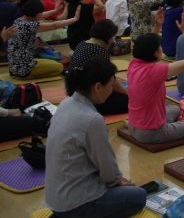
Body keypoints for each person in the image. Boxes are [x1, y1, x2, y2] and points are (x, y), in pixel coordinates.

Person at [46, 57, 146, 217]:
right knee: (139, 196)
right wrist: (119, 181)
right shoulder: (92, 119)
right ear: (98, 87)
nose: (112, 89)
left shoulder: (66, 103)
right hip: (74, 204)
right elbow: (107, 168)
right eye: (111, 84)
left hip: (54, 198)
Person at [127, 12, 184, 143]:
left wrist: (158, 26)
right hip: (151, 133)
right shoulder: (155, 70)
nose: (161, 48)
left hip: (133, 126)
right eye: (160, 46)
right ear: (155, 53)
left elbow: (147, 44)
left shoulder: (133, 64)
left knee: (175, 109)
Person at [68, 19, 128, 115]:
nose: (113, 40)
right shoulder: (100, 50)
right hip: (90, 98)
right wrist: (126, 92)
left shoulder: (82, 44)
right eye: (112, 37)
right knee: (133, 99)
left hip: (75, 94)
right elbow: (112, 81)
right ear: (108, 38)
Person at [8, 0, 79, 79]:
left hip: (15, 66)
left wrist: (55, 10)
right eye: (40, 13)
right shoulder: (28, 26)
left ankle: (25, 74)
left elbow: (42, 15)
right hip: (23, 68)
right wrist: (75, 19)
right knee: (59, 66)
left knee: (55, 62)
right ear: (37, 14)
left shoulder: (19, 20)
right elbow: (54, 25)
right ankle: (27, 75)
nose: (42, 15)